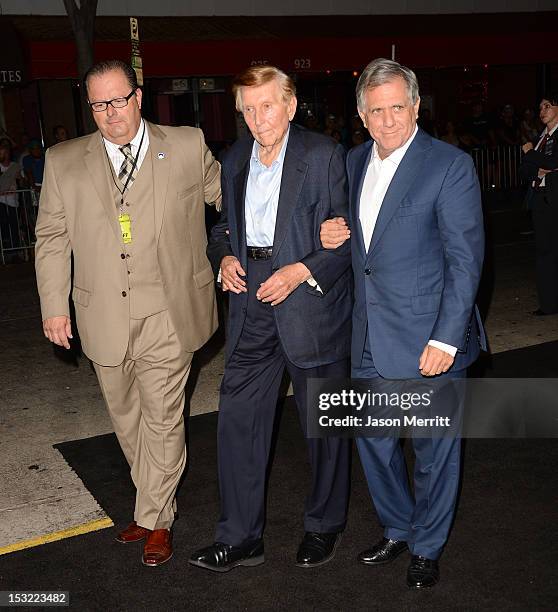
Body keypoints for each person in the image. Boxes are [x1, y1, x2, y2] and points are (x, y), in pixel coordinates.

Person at [34, 59, 221, 567]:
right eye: (98, 104)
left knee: (162, 418)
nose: (110, 112)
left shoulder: (185, 145)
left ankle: (157, 520)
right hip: (102, 315)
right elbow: (51, 238)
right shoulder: (64, 161)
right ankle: (152, 502)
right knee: (126, 418)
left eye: (118, 100)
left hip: (170, 309)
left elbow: (233, 200)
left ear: (138, 96)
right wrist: (54, 306)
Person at [320, 58, 486, 589]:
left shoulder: (449, 165)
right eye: (377, 110)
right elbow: (360, 241)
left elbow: (465, 262)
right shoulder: (350, 162)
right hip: (367, 333)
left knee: (435, 452)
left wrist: (446, 337)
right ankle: (398, 526)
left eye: (398, 107)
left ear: (416, 106)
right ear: (362, 115)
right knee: (373, 440)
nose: (388, 120)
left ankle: (428, 546)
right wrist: (331, 231)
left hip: (427, 337)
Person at [189, 65, 352, 573]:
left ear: (291, 105)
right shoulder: (234, 158)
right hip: (250, 304)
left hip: (307, 301)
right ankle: (240, 537)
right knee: (238, 421)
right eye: (249, 107)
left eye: (268, 105)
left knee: (323, 428)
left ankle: (324, 526)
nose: (259, 117)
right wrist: (225, 258)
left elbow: (350, 238)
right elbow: (220, 229)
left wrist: (300, 269)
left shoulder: (324, 156)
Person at [520, 93, 558, 316]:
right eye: (540, 107)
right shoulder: (539, 138)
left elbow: (553, 162)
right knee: (545, 253)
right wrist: (538, 166)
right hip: (541, 199)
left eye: (547, 106)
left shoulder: (537, 144)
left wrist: (531, 154)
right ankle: (549, 304)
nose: (542, 111)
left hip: (555, 199)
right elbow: (525, 169)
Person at [0, 142, 22, 260]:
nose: (4, 154)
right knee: (4, 226)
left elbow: (21, 179)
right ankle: (7, 252)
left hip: (13, 201)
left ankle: (16, 251)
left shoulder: (14, 166)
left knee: (14, 226)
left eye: (6, 151)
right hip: (1, 202)